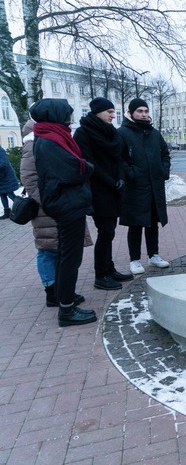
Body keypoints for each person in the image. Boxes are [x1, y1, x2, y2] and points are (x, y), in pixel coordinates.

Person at [30, 99, 97, 327]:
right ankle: (67, 310)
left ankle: (63, 297)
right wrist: (88, 166)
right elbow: (74, 169)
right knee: (70, 257)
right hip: (66, 205)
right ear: (57, 115)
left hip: (65, 203)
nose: (71, 118)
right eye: (68, 114)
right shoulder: (50, 141)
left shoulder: (51, 136)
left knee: (65, 254)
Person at [20, 118, 88, 308]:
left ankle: (62, 290)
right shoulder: (33, 142)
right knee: (47, 248)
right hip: (48, 206)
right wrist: (50, 202)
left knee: (60, 248)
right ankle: (51, 291)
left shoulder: (52, 139)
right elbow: (29, 178)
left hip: (58, 202)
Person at [74, 97, 134, 290]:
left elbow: (119, 158)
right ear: (97, 112)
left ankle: (109, 269)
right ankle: (101, 275)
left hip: (115, 188)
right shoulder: (83, 133)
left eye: (113, 111)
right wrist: (111, 181)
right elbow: (88, 162)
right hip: (99, 190)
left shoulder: (111, 132)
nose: (112, 114)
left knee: (109, 231)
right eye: (109, 111)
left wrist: (121, 178)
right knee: (105, 232)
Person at [118, 98, 171, 275]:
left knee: (152, 223)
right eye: (140, 111)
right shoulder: (123, 133)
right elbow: (120, 159)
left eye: (146, 111)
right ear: (131, 113)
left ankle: (153, 255)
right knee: (136, 224)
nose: (144, 114)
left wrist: (163, 172)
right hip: (135, 187)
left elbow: (165, 153)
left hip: (154, 186)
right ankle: (134, 260)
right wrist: (131, 173)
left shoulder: (154, 133)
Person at [0, 144, 19, 219]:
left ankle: (21, 208)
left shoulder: (0, 150)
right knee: (2, 194)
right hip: (1, 178)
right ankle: (7, 212)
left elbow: (3, 163)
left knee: (10, 194)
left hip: (6, 177)